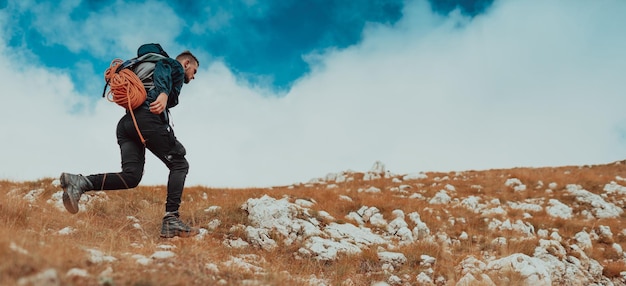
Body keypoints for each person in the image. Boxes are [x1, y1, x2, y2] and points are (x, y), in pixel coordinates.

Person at [60, 47, 199, 238]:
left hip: (127, 125)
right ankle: (171, 219)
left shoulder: (141, 68)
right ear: (186, 64)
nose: (193, 77)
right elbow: (166, 67)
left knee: (131, 176)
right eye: (194, 71)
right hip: (147, 119)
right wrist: (164, 93)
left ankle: (80, 182)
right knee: (179, 163)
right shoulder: (172, 64)